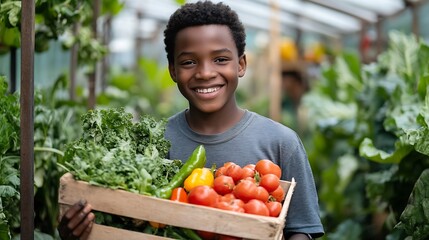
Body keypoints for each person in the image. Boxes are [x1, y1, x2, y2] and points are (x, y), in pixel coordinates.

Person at [58, 1, 324, 239]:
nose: (206, 73)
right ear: (173, 70)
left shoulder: (281, 142)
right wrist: (79, 232)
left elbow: (302, 229)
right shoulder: (153, 144)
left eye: (220, 59)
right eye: (188, 62)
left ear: (241, 64)